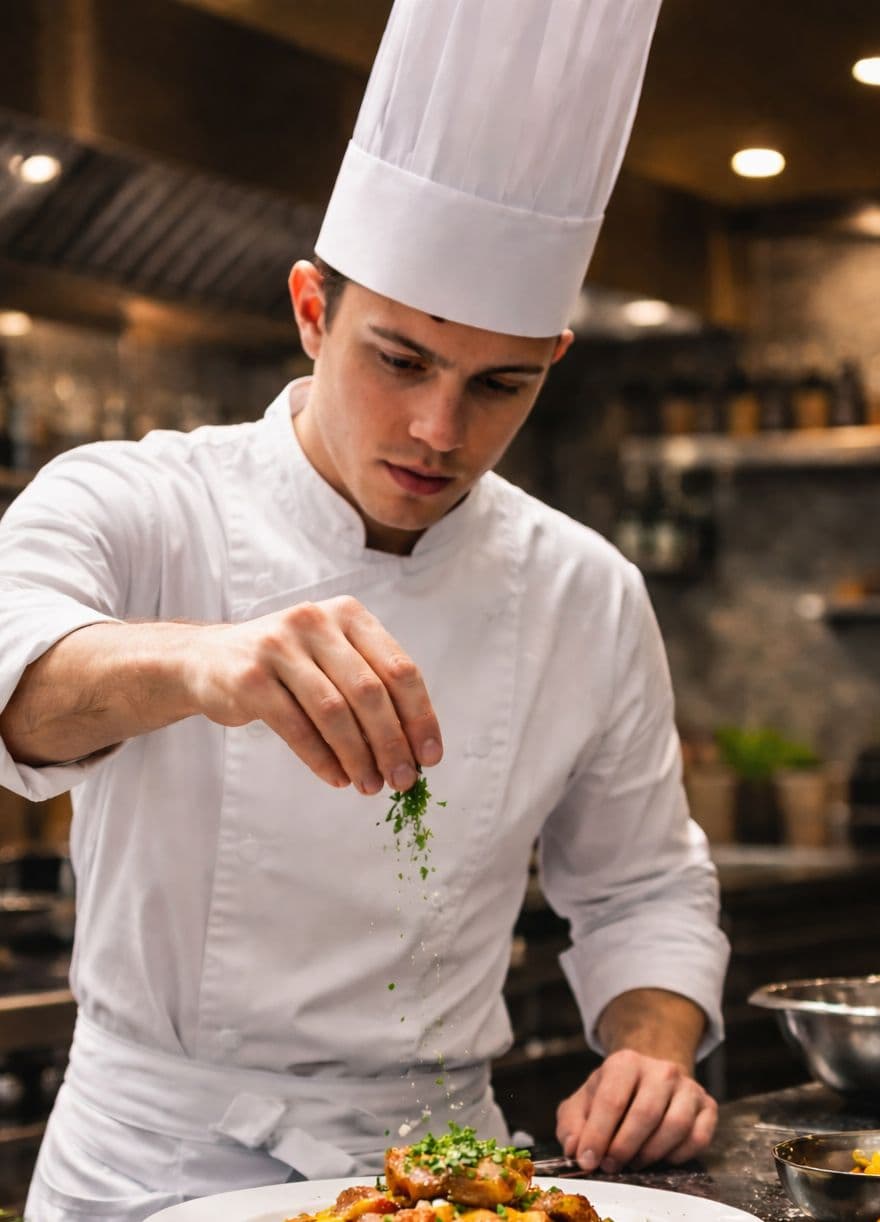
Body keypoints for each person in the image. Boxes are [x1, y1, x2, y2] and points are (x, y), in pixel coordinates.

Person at [0, 1, 729, 1218]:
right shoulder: (135, 502)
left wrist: (651, 1048)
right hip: (153, 1164)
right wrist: (200, 663)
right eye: (399, 361)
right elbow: (15, 683)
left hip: (447, 1170)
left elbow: (642, 886)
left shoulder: (585, 587)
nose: (441, 431)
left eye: (500, 385)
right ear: (311, 310)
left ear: (552, 359)